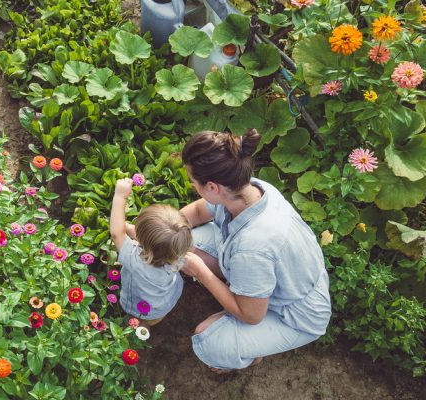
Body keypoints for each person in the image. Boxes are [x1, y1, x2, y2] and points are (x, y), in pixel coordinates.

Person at [178, 129, 331, 372]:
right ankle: (242, 294)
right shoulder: (249, 189)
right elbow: (198, 212)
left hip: (296, 315)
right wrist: (166, 228)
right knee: (184, 243)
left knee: (209, 342)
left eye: (193, 182)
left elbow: (250, 315)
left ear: (212, 187)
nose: (192, 185)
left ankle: (251, 354)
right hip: (282, 276)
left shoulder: (253, 247)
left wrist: (201, 271)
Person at [110, 178, 201, 326]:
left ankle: (141, 330)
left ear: (140, 240)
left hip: (141, 308)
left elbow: (116, 233)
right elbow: (151, 241)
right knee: (152, 320)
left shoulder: (135, 261)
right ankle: (148, 327)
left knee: (140, 324)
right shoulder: (179, 251)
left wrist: (120, 196)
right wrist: (126, 227)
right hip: (165, 303)